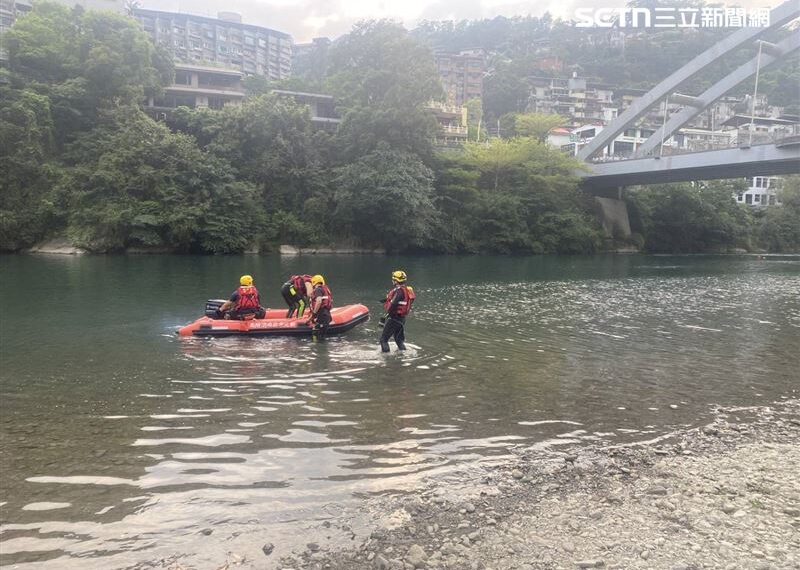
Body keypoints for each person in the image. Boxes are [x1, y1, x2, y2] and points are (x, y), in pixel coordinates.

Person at [379, 270, 415, 352]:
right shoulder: (405, 290)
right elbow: (399, 301)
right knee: (398, 340)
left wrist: (387, 314)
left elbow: (393, 304)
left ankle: (385, 358)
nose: (392, 281)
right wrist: (385, 300)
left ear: (396, 281)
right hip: (401, 319)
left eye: (393, 279)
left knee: (383, 340)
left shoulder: (399, 291)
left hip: (394, 318)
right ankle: (403, 354)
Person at [308, 274, 333, 341]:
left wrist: (314, 313)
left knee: (316, 335)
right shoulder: (324, 289)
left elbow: (319, 301)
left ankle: (316, 346)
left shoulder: (318, 290)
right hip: (327, 315)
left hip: (322, 315)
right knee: (321, 337)